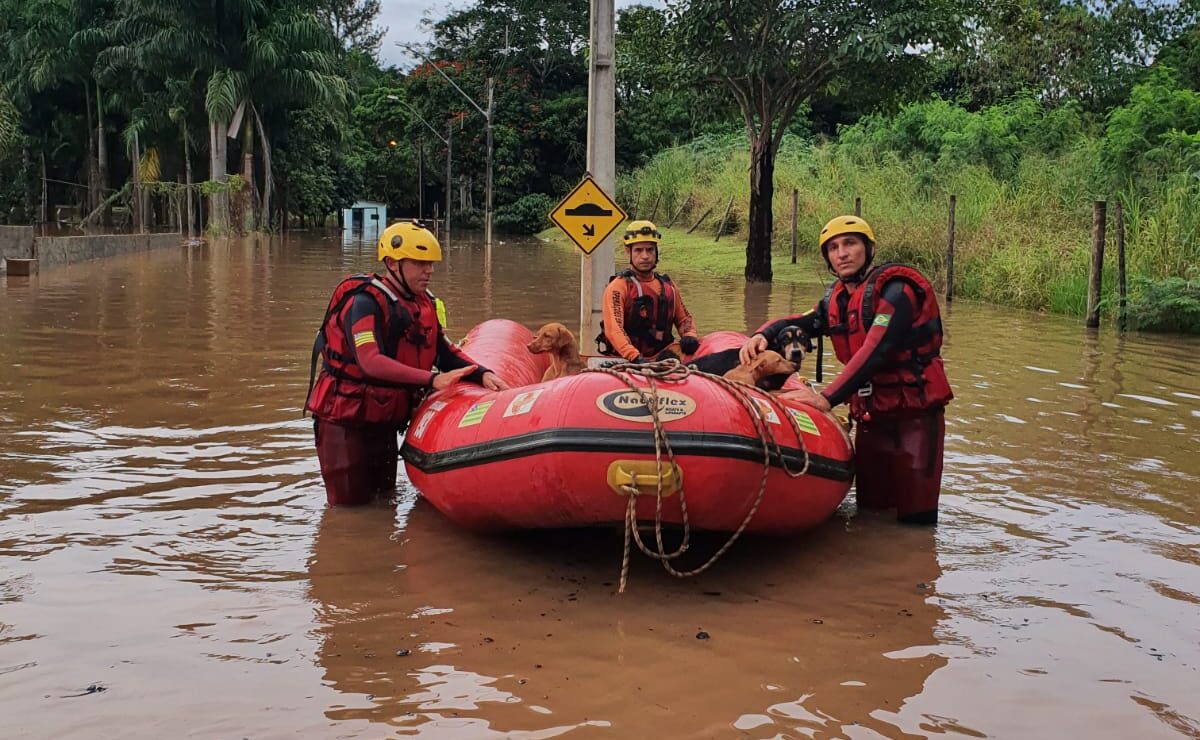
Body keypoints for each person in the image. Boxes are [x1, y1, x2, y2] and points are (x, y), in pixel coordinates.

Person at [740, 215, 952, 524]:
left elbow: (876, 349)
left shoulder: (897, 291)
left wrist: (826, 398)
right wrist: (762, 334)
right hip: (871, 418)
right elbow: (799, 323)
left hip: (914, 419)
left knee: (916, 525)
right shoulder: (835, 301)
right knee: (869, 516)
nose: (842, 253)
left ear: (868, 249)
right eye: (833, 248)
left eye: (850, 244)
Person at [305, 221, 509, 506]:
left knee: (386, 500)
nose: (429, 270)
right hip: (345, 419)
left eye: (431, 263)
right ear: (392, 263)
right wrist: (431, 380)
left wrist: (481, 373)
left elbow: (444, 351)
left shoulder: (423, 303)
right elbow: (370, 362)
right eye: (420, 263)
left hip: (384, 418)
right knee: (348, 512)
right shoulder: (363, 302)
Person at [598, 220, 700, 362]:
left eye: (650, 250)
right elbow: (614, 330)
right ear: (628, 252)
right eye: (639, 250)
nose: (645, 256)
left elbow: (683, 319)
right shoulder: (618, 287)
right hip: (627, 361)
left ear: (656, 251)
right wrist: (633, 356)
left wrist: (690, 335)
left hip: (663, 358)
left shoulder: (669, 286)